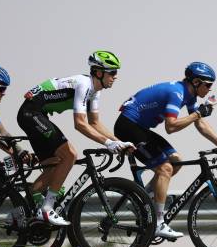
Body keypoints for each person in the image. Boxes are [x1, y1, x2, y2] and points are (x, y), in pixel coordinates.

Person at [114, 62, 217, 239]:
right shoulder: (177, 93)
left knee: (175, 161)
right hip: (128, 127)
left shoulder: (189, 95)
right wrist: (198, 114)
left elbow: (200, 124)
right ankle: (158, 223)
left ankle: (143, 200)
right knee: (165, 168)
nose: (210, 89)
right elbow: (170, 127)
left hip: (140, 127)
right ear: (195, 82)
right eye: (208, 84)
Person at [17, 51, 133, 226]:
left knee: (55, 164)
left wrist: (118, 142)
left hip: (37, 114)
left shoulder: (96, 91)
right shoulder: (84, 84)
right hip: (31, 113)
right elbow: (80, 124)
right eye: (112, 72)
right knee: (70, 154)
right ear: (99, 72)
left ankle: (18, 213)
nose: (115, 77)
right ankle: (47, 209)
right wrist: (108, 143)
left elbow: (94, 123)